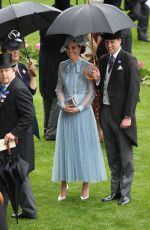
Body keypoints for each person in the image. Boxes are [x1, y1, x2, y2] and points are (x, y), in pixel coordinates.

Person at [52, 35, 107, 201]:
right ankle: (63, 183)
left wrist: (80, 107)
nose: (71, 51)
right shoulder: (62, 66)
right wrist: (62, 104)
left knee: (84, 147)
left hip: (83, 113)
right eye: (68, 48)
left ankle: (85, 184)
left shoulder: (89, 67)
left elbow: (92, 92)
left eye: (74, 48)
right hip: (66, 112)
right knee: (65, 147)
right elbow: (59, 89)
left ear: (80, 48)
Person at [92, 31, 140, 205]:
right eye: (107, 43)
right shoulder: (104, 60)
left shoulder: (129, 60)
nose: (109, 45)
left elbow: (134, 91)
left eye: (113, 42)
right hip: (106, 113)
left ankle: (125, 193)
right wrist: (97, 80)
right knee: (112, 154)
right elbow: (100, 87)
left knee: (125, 156)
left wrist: (128, 116)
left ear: (120, 41)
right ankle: (115, 191)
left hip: (122, 116)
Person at [0, 53, 37, 218]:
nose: (3, 74)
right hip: (5, 143)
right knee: (6, 174)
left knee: (18, 175)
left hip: (18, 143)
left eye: (6, 70)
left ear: (13, 70)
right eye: (0, 71)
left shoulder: (19, 88)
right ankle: (12, 208)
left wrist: (13, 133)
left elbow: (29, 116)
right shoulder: (4, 87)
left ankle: (29, 211)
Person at [39, 0, 72, 140]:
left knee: (48, 94)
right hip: (56, 61)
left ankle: (48, 127)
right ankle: (51, 131)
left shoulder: (47, 14)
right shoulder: (67, 16)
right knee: (55, 95)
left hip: (46, 61)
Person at [1, 30, 40, 139]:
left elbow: (32, 91)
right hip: (14, 120)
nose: (15, 51)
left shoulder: (22, 67)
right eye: (12, 49)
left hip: (26, 115)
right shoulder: (4, 73)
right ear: (5, 51)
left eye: (17, 48)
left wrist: (32, 75)